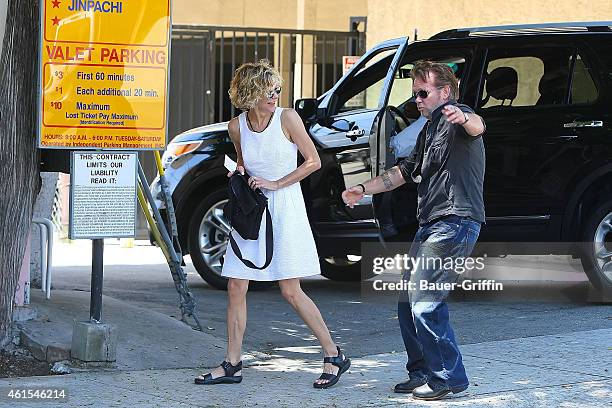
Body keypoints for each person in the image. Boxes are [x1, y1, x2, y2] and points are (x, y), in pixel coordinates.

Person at [194, 60, 350, 389]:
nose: (276, 96)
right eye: (269, 91)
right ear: (250, 94)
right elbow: (243, 163)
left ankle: (333, 354)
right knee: (236, 285)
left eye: (278, 89)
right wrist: (237, 172)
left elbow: (313, 161)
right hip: (252, 211)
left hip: (284, 208)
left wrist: (277, 183)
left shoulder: (288, 118)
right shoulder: (237, 126)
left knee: (290, 290)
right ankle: (232, 363)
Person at [342, 60, 486, 400]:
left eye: (423, 93)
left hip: (455, 221)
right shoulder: (429, 128)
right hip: (432, 223)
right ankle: (422, 371)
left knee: (425, 301)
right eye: (415, 94)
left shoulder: (457, 114)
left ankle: (447, 378)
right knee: (409, 302)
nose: (417, 100)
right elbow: (402, 173)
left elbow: (478, 126)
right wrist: (361, 188)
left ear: (445, 92)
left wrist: (464, 118)